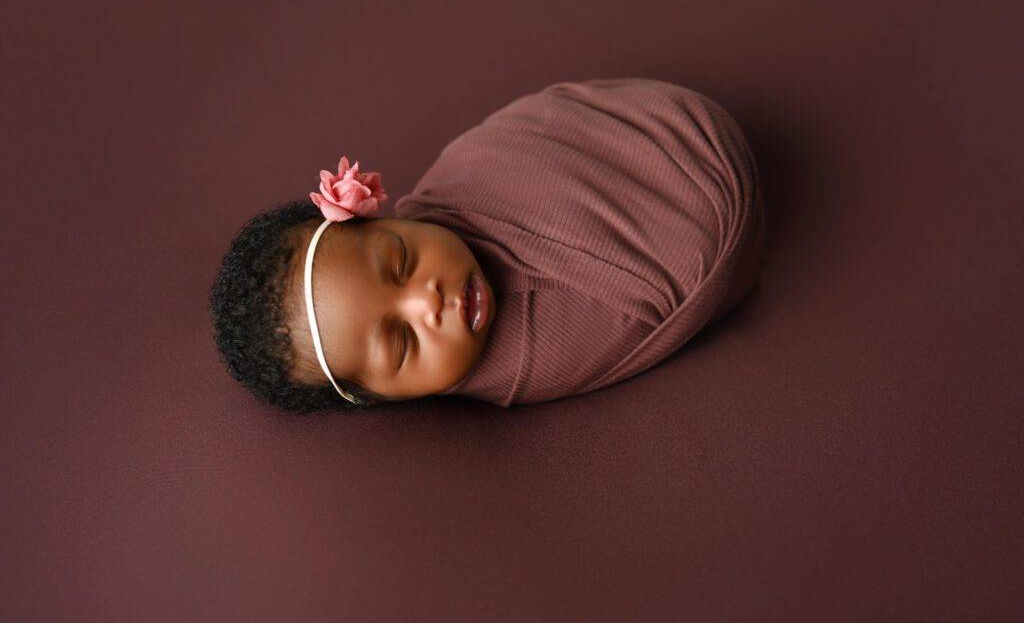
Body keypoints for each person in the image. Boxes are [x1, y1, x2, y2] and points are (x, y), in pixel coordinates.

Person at [209, 78, 766, 413]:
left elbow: (536, 131)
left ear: (382, 216)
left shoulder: (463, 180)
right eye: (402, 343)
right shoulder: (527, 361)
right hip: (711, 213)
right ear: (380, 398)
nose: (428, 302)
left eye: (401, 259)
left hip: (659, 120)